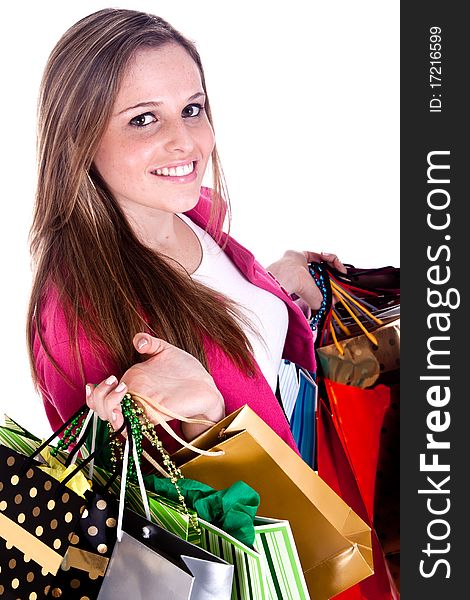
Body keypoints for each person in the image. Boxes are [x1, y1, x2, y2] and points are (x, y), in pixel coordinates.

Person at [27, 8, 344, 455]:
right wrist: (206, 423)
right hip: (294, 522)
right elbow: (148, 515)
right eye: (144, 119)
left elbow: (240, 355)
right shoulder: (78, 320)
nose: (186, 142)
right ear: (78, 138)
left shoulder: (194, 210)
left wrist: (276, 286)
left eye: (192, 109)